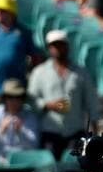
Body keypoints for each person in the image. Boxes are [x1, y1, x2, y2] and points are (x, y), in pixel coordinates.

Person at [27, 30, 99, 160]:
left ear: (67, 46)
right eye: (54, 45)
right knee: (50, 169)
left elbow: (92, 102)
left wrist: (95, 130)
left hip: (75, 131)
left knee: (74, 170)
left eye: (61, 44)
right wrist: (47, 105)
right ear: (49, 48)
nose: (58, 49)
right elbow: (32, 101)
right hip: (49, 131)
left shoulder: (81, 73)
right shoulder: (39, 72)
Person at [0, 78, 40, 160]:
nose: (14, 101)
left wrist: (20, 132)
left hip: (23, 160)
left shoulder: (29, 115)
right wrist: (0, 131)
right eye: (10, 97)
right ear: (4, 98)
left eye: (18, 97)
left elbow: (34, 146)